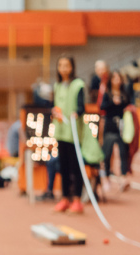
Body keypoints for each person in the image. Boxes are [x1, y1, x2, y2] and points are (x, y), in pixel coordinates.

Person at [52, 55, 87, 214]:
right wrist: (54, 112)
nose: (64, 68)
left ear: (72, 67)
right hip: (60, 132)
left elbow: (81, 107)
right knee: (63, 167)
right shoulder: (57, 85)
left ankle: (77, 200)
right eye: (61, 65)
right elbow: (56, 105)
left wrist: (76, 113)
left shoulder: (78, 85)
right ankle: (65, 198)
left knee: (75, 167)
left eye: (66, 65)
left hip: (73, 133)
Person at [100, 70, 130, 189]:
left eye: (119, 78)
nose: (117, 81)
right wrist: (113, 102)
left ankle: (123, 177)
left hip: (121, 126)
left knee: (123, 152)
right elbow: (103, 107)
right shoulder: (107, 94)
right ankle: (106, 177)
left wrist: (122, 103)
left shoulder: (124, 93)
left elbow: (129, 104)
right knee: (107, 153)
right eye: (115, 78)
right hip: (109, 125)